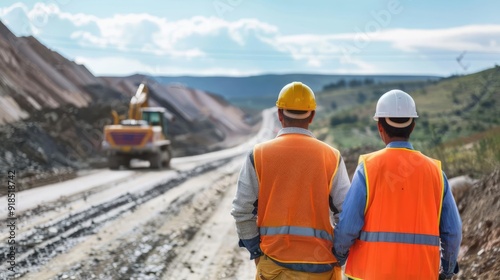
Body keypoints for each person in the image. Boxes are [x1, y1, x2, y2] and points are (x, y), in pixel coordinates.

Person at [333, 89, 462, 279]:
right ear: (413, 126)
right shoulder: (435, 172)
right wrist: (448, 270)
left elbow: (348, 226)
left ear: (380, 127)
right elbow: (452, 232)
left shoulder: (367, 169)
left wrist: (338, 255)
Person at [231, 81, 350, 280]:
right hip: (321, 267)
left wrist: (256, 251)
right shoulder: (331, 156)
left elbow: (242, 210)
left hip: (274, 268)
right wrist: (338, 253)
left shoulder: (258, 154)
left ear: (279, 114)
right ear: (312, 115)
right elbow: (345, 214)